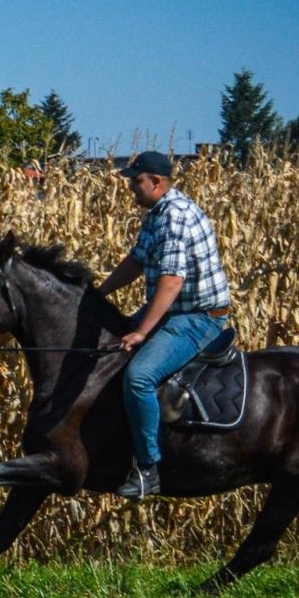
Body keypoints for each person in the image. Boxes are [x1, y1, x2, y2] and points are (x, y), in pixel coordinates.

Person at [97, 151, 232, 498]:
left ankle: (148, 470)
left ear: (156, 182)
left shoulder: (174, 217)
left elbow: (171, 281)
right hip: (176, 312)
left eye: (135, 180)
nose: (130, 187)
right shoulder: (156, 214)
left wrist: (142, 331)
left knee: (139, 376)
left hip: (199, 318)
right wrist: (98, 294)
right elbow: (136, 261)